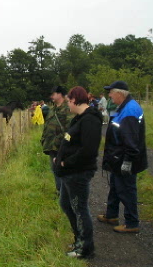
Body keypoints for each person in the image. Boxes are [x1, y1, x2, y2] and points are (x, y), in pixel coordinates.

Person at [54, 86, 102, 259]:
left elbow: (88, 150)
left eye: (68, 101)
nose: (67, 105)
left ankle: (85, 248)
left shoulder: (90, 120)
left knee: (79, 209)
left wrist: (66, 161)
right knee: (67, 205)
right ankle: (79, 240)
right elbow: (71, 142)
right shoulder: (79, 118)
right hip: (69, 172)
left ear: (74, 100)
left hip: (78, 173)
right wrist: (59, 159)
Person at [98, 81, 148, 233]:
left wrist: (127, 162)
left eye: (111, 92)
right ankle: (112, 215)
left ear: (119, 93)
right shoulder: (125, 107)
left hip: (125, 160)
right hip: (117, 159)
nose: (110, 95)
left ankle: (132, 223)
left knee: (127, 190)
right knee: (115, 186)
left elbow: (131, 141)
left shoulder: (130, 110)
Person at [41, 86, 73, 194]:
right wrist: (44, 138)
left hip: (62, 144)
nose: (51, 96)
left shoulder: (68, 108)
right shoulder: (52, 109)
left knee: (63, 169)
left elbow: (70, 128)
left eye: (53, 94)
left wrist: (60, 139)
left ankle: (66, 192)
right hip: (51, 145)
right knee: (55, 169)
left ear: (60, 94)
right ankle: (59, 190)